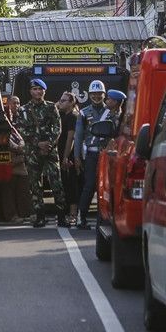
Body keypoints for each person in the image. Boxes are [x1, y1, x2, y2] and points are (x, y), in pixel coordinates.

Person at [21, 79, 68, 228]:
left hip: (50, 151)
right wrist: (38, 143)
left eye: (40, 89)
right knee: (35, 185)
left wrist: (49, 144)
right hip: (33, 152)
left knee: (56, 183)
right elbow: (22, 130)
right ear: (30, 91)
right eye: (34, 89)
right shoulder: (24, 110)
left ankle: (62, 217)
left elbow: (57, 127)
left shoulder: (51, 107)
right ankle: (40, 217)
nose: (37, 92)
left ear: (44, 91)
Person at [72, 79, 107, 230]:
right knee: (90, 185)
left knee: (105, 187)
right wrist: (77, 157)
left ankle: (103, 218)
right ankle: (81, 218)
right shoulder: (84, 113)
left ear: (104, 94)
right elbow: (78, 136)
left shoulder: (111, 112)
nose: (96, 96)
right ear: (89, 95)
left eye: (99, 93)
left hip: (107, 155)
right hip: (91, 155)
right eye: (93, 94)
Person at [55, 91, 81, 226]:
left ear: (72, 103)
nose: (60, 102)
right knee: (64, 183)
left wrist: (65, 157)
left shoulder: (73, 116)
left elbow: (71, 138)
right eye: (60, 100)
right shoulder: (62, 115)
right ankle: (65, 212)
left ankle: (73, 213)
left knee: (71, 183)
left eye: (64, 100)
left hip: (68, 154)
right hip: (60, 152)